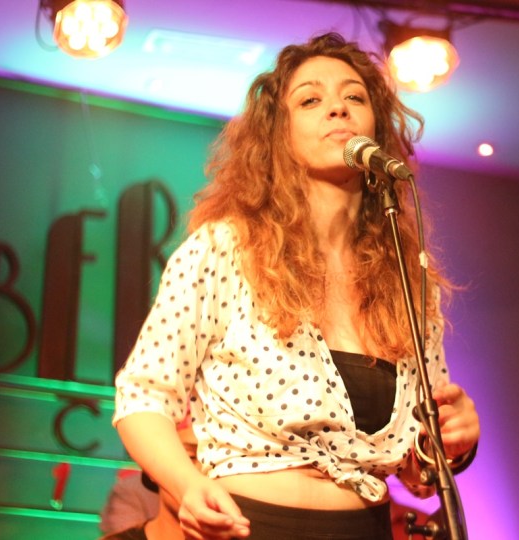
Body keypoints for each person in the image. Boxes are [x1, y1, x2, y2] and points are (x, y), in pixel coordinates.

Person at [112, 32, 480, 540]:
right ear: (277, 135)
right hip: (247, 525)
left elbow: (418, 470)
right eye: (311, 100)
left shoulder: (405, 278)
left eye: (355, 97)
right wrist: (186, 484)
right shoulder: (225, 248)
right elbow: (143, 397)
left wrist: (455, 443)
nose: (338, 109)